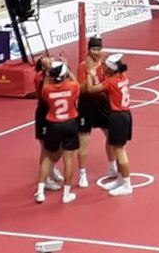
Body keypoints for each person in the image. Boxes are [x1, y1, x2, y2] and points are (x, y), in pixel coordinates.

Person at [85, 54, 134, 196]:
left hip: (118, 116)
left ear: (112, 70)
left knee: (120, 151)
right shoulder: (123, 76)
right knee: (118, 148)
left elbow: (91, 89)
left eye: (106, 66)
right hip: (125, 115)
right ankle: (120, 179)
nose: (104, 68)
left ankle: (127, 184)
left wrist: (90, 73)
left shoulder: (111, 82)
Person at [35, 60, 80, 204]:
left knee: (47, 157)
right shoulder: (73, 86)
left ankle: (40, 192)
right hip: (70, 123)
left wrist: (48, 71)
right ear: (64, 74)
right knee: (69, 160)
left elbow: (45, 85)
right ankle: (66, 194)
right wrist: (67, 68)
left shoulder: (47, 90)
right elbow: (76, 82)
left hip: (53, 125)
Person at [76, 37, 117, 189]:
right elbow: (81, 89)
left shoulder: (105, 65)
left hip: (102, 102)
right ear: (89, 49)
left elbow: (108, 84)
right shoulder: (82, 66)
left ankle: (112, 166)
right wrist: (89, 74)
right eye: (94, 49)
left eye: (99, 49)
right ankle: (82, 174)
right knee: (84, 140)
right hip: (86, 104)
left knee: (111, 135)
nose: (97, 52)